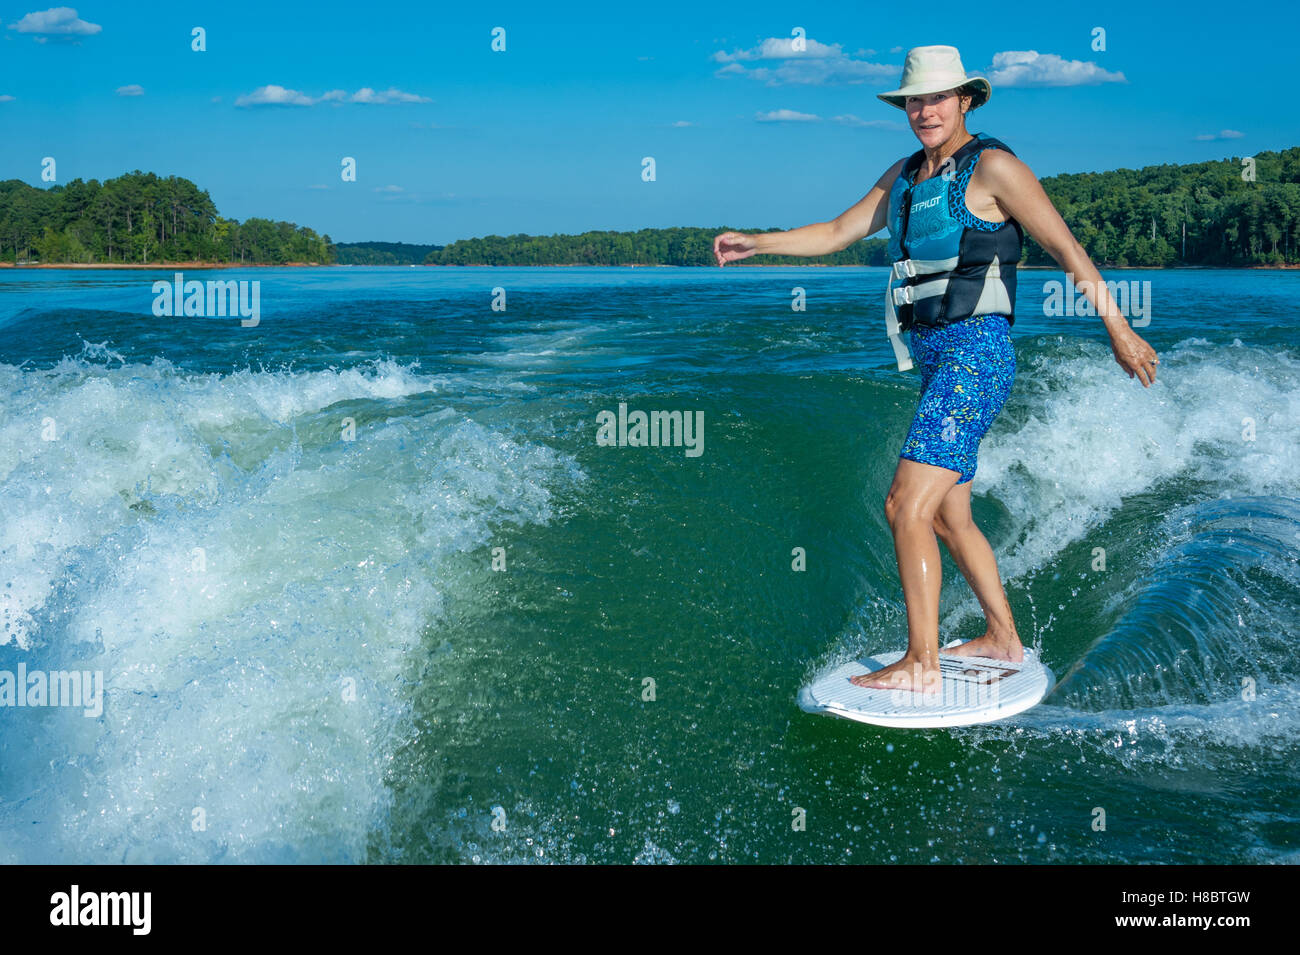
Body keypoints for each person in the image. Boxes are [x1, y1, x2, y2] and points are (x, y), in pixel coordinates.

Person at [713, 45, 1159, 694]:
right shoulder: (906, 176)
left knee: (903, 505)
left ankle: (921, 662)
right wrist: (759, 243)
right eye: (914, 100)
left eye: (937, 98)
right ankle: (1004, 638)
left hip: (975, 357)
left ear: (966, 100)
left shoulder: (995, 168)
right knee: (949, 516)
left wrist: (1118, 327)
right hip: (935, 363)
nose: (924, 110)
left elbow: (1065, 245)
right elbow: (839, 229)